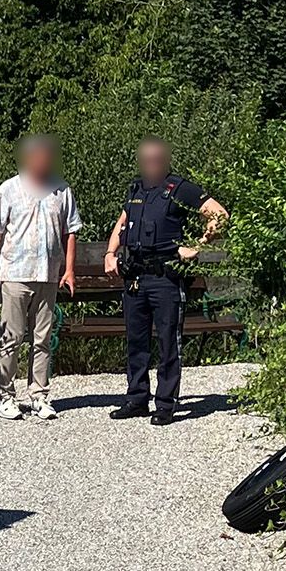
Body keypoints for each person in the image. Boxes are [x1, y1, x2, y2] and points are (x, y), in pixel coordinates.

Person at [104, 138, 229, 425]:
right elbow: (122, 223)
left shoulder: (179, 188)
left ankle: (165, 404)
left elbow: (220, 215)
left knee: (168, 342)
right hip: (135, 276)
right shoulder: (137, 188)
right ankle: (137, 399)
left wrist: (197, 246)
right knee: (136, 341)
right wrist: (110, 254)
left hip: (166, 277)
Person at [0, 134, 80, 421]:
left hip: (47, 274)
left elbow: (70, 232)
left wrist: (69, 269)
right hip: (15, 273)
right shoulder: (8, 189)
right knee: (11, 337)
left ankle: (39, 395)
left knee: (42, 339)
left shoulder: (62, 190)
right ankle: (5, 396)